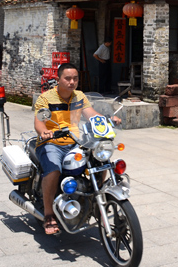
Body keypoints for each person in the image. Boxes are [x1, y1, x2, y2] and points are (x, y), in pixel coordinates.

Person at [34, 63, 119, 235]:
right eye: (67, 78)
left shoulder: (79, 96)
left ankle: (96, 200)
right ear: (58, 79)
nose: (72, 82)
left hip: (75, 141)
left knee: (99, 160)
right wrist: (44, 131)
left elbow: (91, 113)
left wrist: (108, 119)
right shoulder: (46, 98)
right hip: (52, 143)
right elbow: (39, 120)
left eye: (75, 78)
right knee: (53, 171)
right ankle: (49, 213)